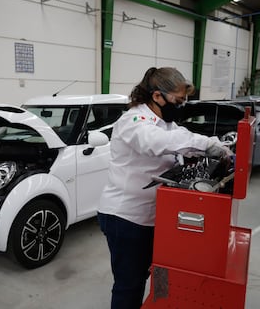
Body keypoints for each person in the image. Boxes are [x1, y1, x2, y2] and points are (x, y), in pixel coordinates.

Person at [97, 67, 232, 309]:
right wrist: (205, 144)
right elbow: (157, 143)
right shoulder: (133, 121)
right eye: (178, 101)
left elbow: (181, 137)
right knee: (130, 283)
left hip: (155, 215)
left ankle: (158, 303)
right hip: (125, 217)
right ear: (157, 96)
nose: (181, 106)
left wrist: (216, 145)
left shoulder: (164, 121)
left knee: (160, 271)